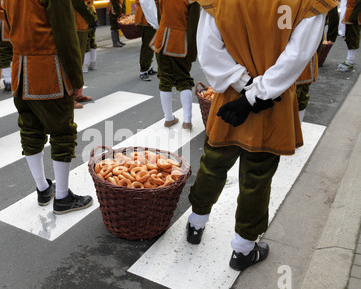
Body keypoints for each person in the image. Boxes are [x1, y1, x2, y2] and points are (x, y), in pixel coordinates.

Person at [187, 0, 338, 271]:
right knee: (256, 176)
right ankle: (243, 250)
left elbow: (209, 50)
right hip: (273, 100)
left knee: (213, 162)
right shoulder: (310, 3)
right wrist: (256, 94)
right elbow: (297, 55)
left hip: (230, 96)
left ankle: (196, 224)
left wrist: (243, 86)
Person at [1, 0, 93, 214]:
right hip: (47, 69)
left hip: (20, 69)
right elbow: (66, 34)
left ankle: (43, 188)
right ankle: (62, 196)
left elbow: (9, 23)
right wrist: (76, 77)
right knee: (62, 132)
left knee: (30, 129)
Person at [149, 0, 200, 130]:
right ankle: (187, 121)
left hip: (161, 39)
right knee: (184, 79)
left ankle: (168, 118)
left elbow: (160, 16)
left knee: (165, 79)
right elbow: (193, 25)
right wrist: (192, 52)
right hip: (179, 42)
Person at [73, 0, 97, 108]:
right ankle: (69, 98)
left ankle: (77, 94)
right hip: (75, 24)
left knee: (79, 61)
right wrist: (91, 18)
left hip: (82, 24)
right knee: (73, 62)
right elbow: (78, 2)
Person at [135, 0, 158, 81]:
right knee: (147, 46)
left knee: (150, 45)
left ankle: (147, 67)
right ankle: (143, 70)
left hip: (147, 19)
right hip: (146, 20)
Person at [337, 0, 360, 71]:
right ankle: (349, 60)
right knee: (350, 37)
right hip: (350, 14)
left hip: (354, 16)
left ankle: (350, 61)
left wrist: (353, 17)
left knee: (352, 37)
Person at [83, 0, 98, 73]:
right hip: (92, 12)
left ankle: (85, 65)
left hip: (85, 14)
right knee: (92, 39)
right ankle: (93, 63)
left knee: (86, 40)